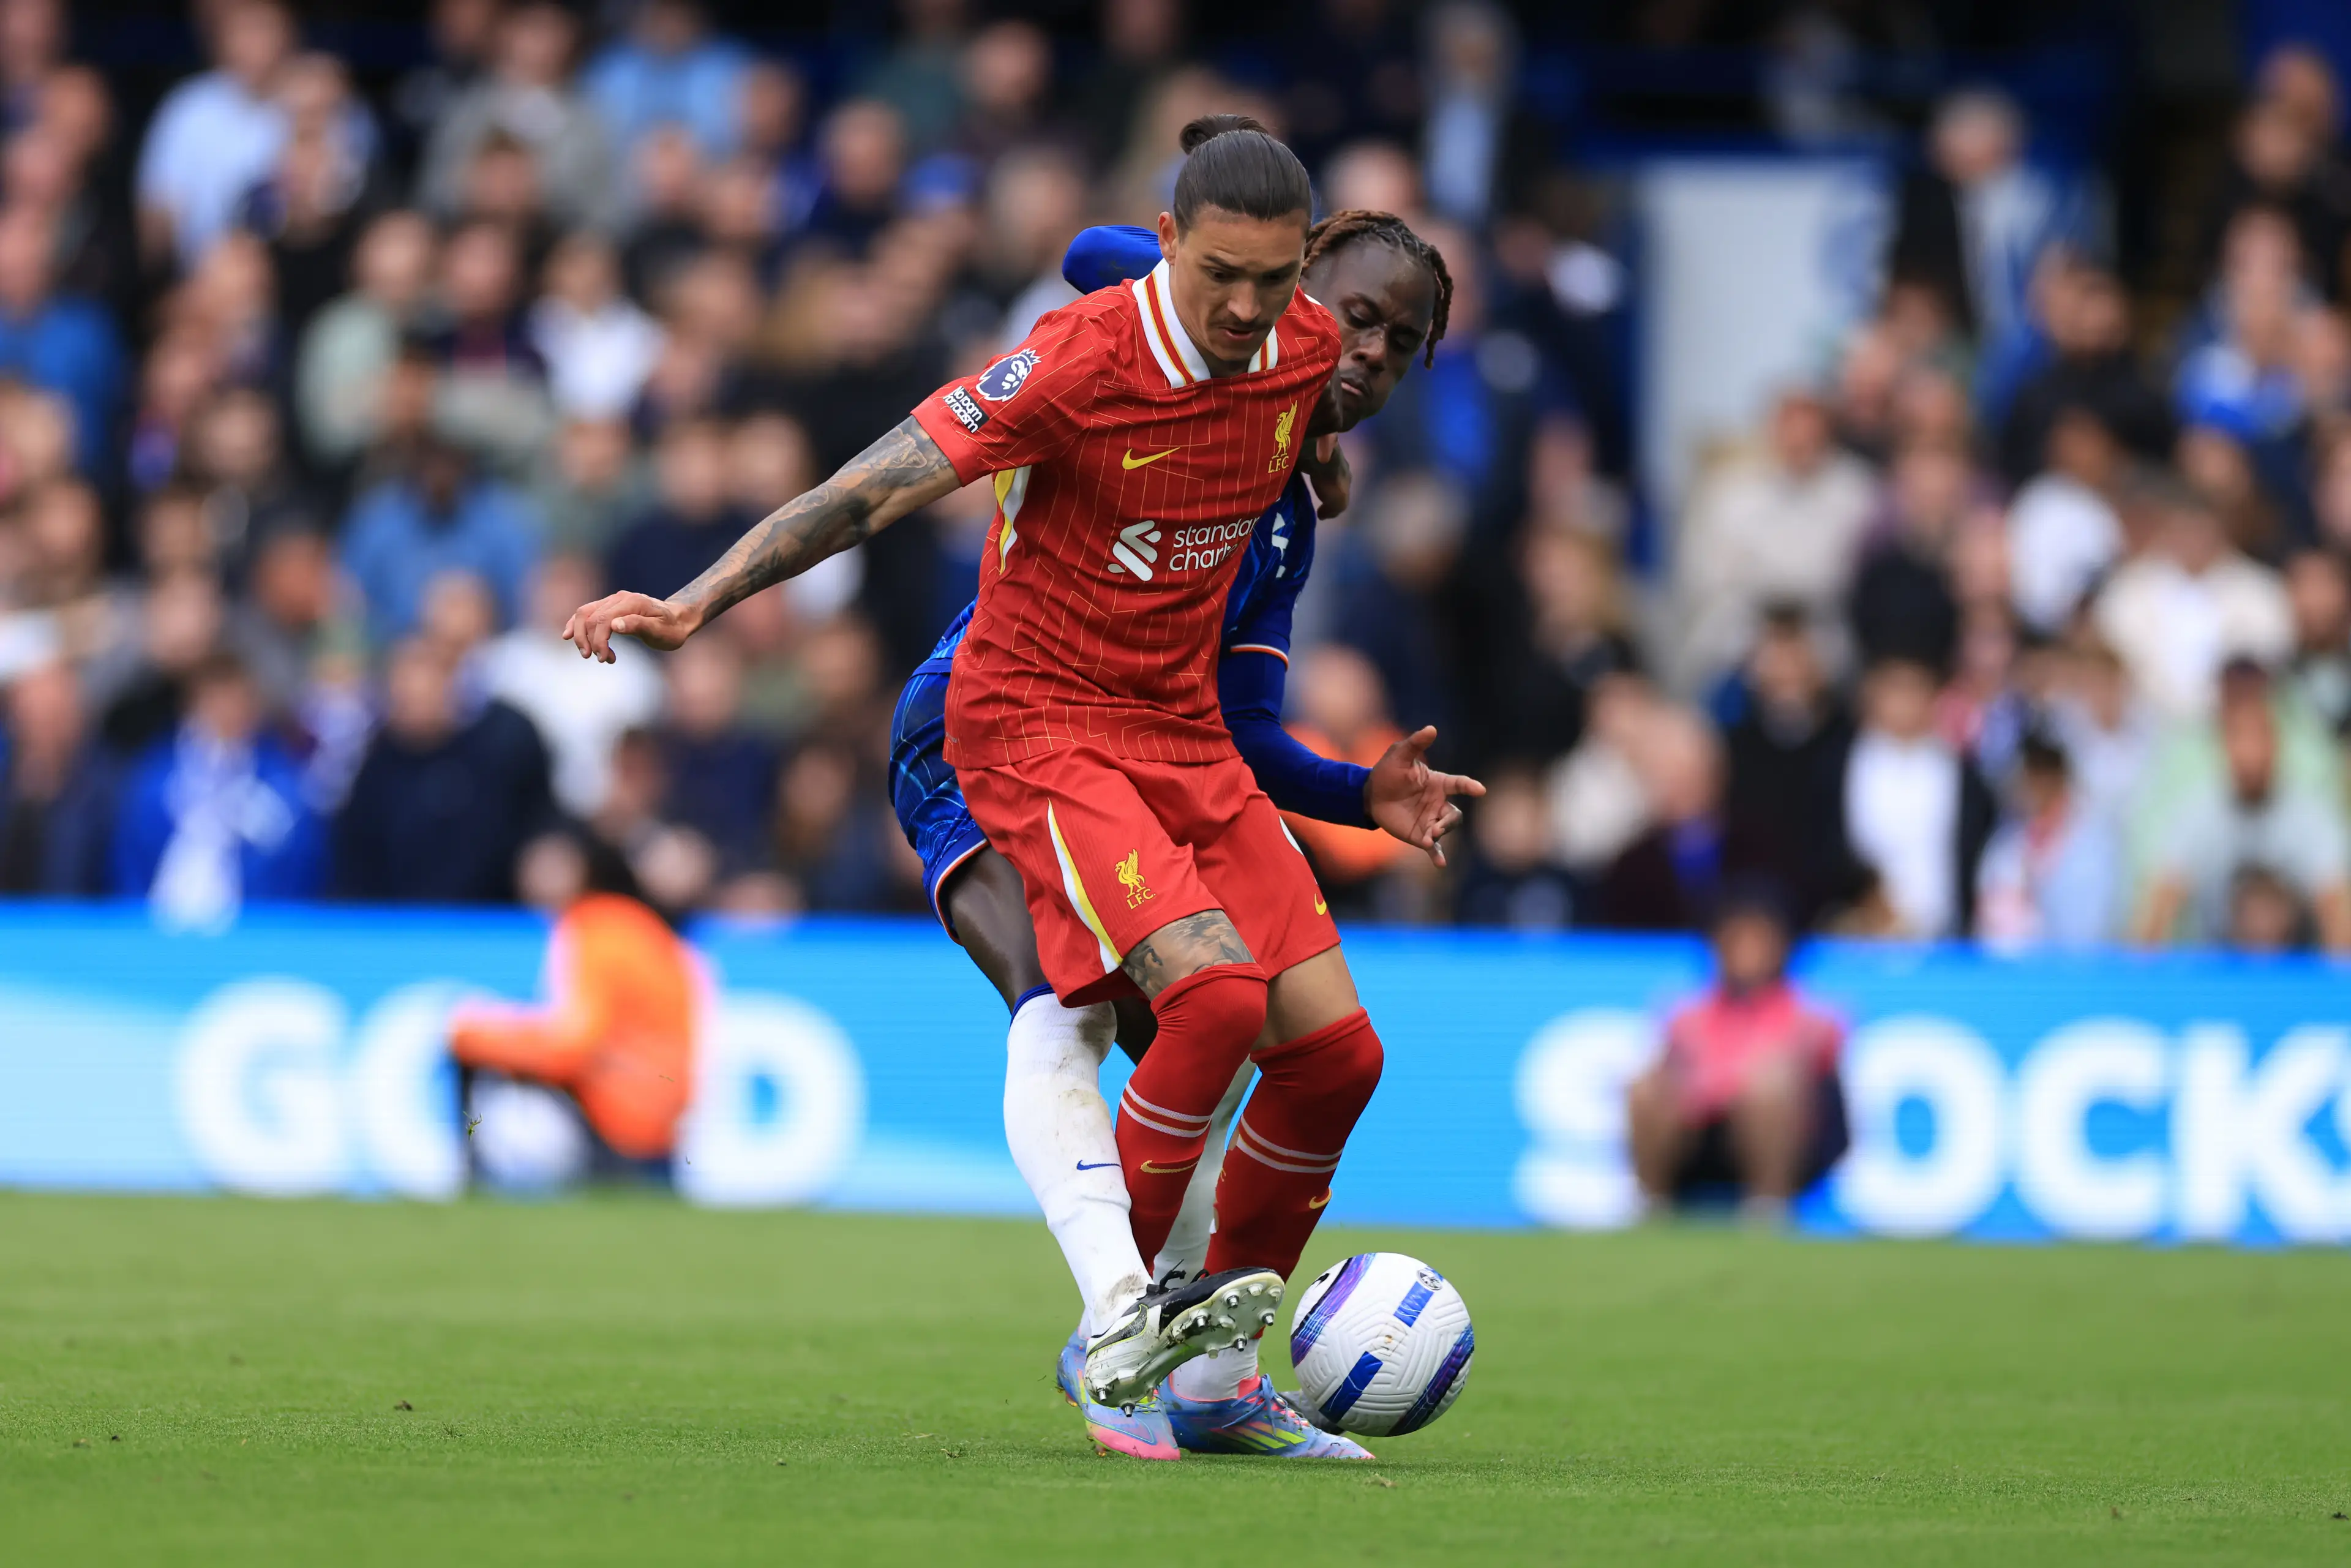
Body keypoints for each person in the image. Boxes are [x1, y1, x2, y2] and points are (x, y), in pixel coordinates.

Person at [564, 123, 1468, 1458]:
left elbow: (1246, 714)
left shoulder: (1296, 417)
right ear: (1185, 249)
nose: (1259, 315)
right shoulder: (1096, 354)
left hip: (1175, 735)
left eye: (1280, 290)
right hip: (1016, 723)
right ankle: (1119, 1331)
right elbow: (879, 479)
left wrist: (1350, 783)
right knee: (1144, 1004)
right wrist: (697, 599)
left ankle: (1216, 1376)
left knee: (1331, 1054)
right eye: (1228, 277)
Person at [447, 831, 697, 1179]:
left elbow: (574, 1044)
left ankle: (472, 1178)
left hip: (620, 1112)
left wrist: (476, 1036)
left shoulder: (593, 926)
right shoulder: (636, 922)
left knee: (469, 1046)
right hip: (665, 1113)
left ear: (582, 870)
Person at [1626, 882, 1848, 1223]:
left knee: (1770, 1085)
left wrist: (1719, 1082)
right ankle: (1653, 1205)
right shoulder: (1687, 1013)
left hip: (1790, 1140)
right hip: (1701, 1136)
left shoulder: (1812, 1015)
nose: (1746, 952)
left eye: (1758, 940)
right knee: (1646, 1086)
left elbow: (1816, 1081)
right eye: (1736, 939)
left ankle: (1769, 1206)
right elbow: (1675, 1078)